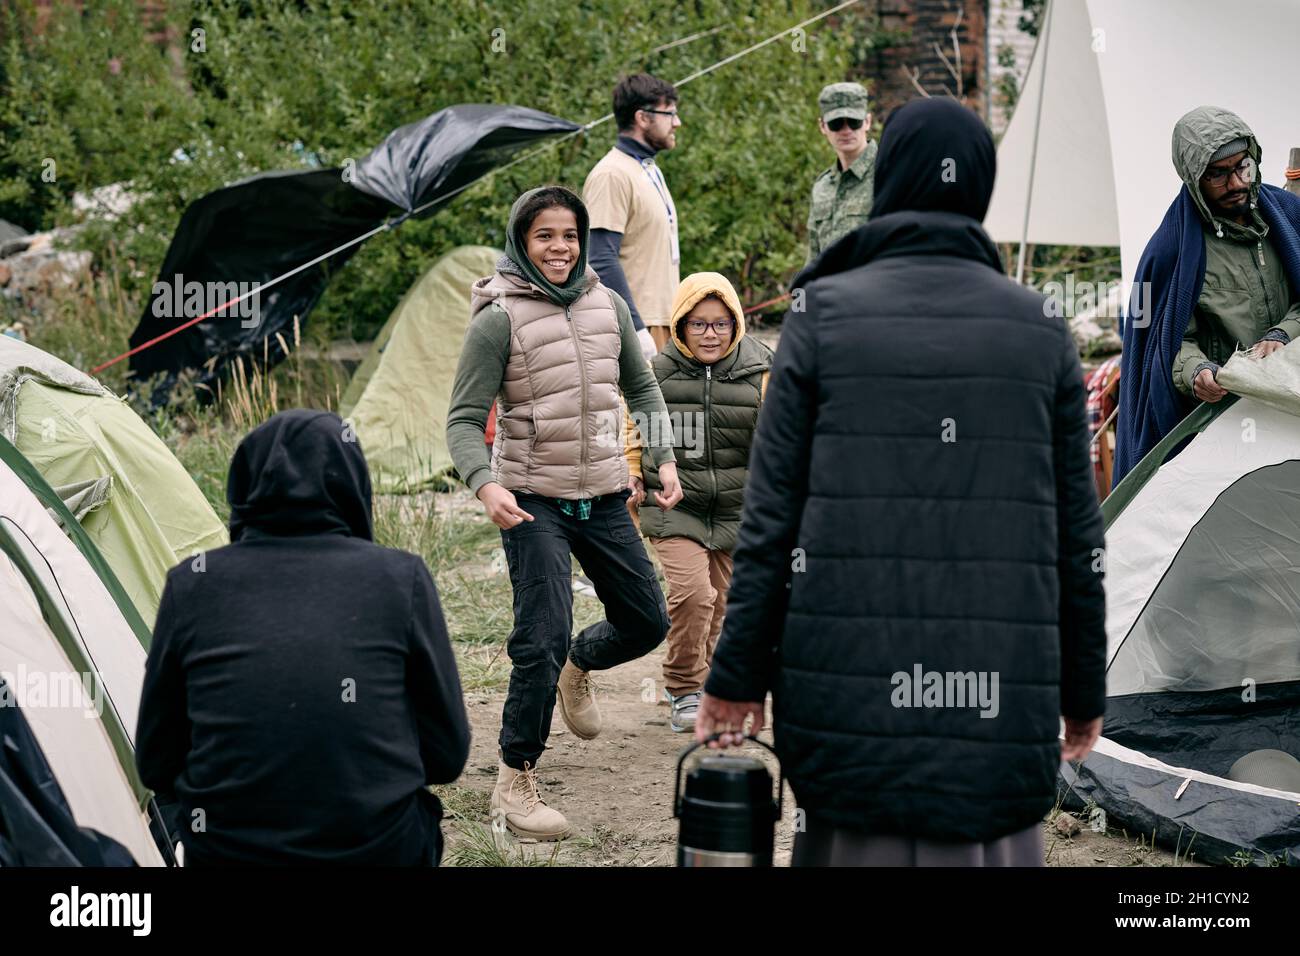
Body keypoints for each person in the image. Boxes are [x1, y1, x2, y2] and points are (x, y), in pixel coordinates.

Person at [695, 98, 1107, 867]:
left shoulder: (821, 317)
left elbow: (769, 522)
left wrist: (735, 680)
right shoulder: (1040, 328)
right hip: (998, 697)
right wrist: (1083, 691)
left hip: (848, 698)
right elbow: (1078, 536)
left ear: (889, 180)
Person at [446, 185, 683, 841]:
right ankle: (515, 781)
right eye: (544, 235)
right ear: (522, 241)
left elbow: (643, 388)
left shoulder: (606, 305)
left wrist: (661, 458)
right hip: (530, 499)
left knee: (646, 621)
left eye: (570, 235)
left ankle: (580, 665)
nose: (559, 247)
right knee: (539, 636)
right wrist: (483, 485)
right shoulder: (498, 317)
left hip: (604, 491)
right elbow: (465, 419)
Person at [136, 409, 470, 866]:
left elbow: (156, 764)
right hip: (378, 850)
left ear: (243, 486)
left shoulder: (191, 584)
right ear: (355, 486)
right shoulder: (400, 578)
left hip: (231, 854)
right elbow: (447, 756)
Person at [1114, 106, 1300, 484]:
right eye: (1217, 175)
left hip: (1292, 410)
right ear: (1193, 178)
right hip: (1226, 423)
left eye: (1242, 167)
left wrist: (1283, 334)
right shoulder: (1170, 251)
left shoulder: (1290, 217)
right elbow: (1166, 341)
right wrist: (1196, 372)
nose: (1235, 183)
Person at [624, 272, 772, 732]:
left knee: (722, 603)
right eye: (698, 324)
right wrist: (633, 474)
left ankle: (708, 684)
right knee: (694, 595)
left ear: (736, 324)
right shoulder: (659, 373)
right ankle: (684, 686)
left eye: (721, 324)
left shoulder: (761, 371)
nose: (710, 334)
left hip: (736, 507)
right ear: (680, 326)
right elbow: (637, 428)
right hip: (674, 504)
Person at [583, 73, 682, 357]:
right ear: (643, 118)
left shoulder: (648, 169)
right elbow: (600, 257)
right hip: (635, 328)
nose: (677, 122)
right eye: (670, 113)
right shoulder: (612, 174)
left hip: (663, 323)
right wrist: (636, 330)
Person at [806, 82, 876, 265]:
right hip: (829, 292)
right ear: (822, 126)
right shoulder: (822, 187)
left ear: (867, 122)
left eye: (854, 122)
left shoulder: (889, 174)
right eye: (836, 124)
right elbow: (813, 258)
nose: (846, 131)